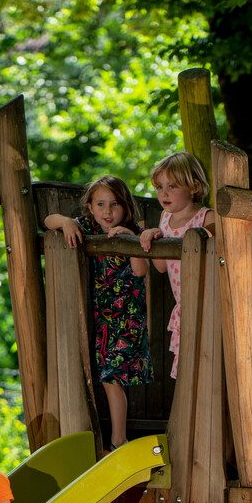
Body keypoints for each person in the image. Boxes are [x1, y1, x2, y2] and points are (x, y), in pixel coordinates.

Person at [44, 175, 151, 451]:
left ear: (125, 207)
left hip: (125, 319)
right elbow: (48, 221)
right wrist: (66, 222)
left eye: (114, 204)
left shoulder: (134, 231)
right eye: (100, 204)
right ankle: (107, 438)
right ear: (90, 207)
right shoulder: (88, 226)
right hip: (97, 318)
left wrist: (131, 240)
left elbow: (141, 271)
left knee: (111, 379)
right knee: (100, 376)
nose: (107, 211)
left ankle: (118, 441)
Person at [139, 152, 215, 380]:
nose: (164, 193)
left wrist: (204, 235)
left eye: (172, 186)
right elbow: (161, 267)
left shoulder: (206, 217)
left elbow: (215, 246)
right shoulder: (164, 219)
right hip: (183, 304)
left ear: (193, 187)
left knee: (206, 361)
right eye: (160, 187)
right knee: (188, 367)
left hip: (208, 301)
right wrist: (152, 238)